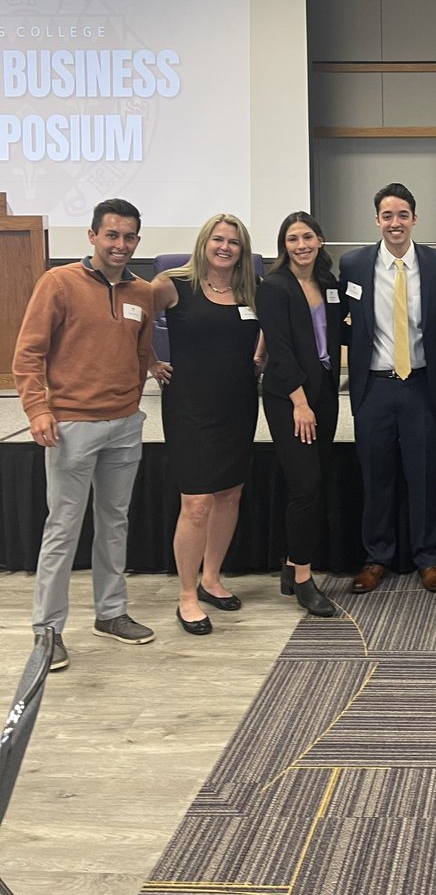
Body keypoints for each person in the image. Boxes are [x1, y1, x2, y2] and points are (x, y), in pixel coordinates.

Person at [13, 197, 155, 672]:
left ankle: (110, 613)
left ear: (137, 240)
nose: (120, 244)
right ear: (92, 236)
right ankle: (47, 630)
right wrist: (38, 409)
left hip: (125, 425)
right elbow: (28, 354)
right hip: (71, 426)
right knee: (63, 527)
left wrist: (133, 401)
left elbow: (141, 351)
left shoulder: (142, 292)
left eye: (129, 237)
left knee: (115, 522)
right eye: (111, 235)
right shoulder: (58, 283)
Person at [340, 183, 436, 593]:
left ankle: (428, 558)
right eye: (387, 215)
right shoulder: (354, 264)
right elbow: (338, 318)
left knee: (424, 475)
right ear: (377, 220)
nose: (395, 223)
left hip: (421, 386)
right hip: (374, 387)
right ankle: (377, 558)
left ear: (414, 218)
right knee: (376, 476)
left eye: (402, 215)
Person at [150, 214, 261, 636]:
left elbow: (272, 327)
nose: (225, 247)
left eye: (234, 241)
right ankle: (186, 594)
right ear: (204, 242)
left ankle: (211, 578)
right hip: (190, 408)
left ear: (242, 249)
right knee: (196, 502)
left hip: (238, 404)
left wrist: (260, 357)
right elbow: (131, 319)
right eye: (218, 239)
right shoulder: (172, 284)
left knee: (229, 493)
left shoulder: (252, 288)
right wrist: (150, 362)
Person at [255, 212, 341, 618]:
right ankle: (304, 579)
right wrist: (300, 402)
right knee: (305, 485)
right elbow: (281, 347)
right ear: (283, 245)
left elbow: (336, 332)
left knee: (313, 481)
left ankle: (291, 564)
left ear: (320, 240)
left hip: (325, 392)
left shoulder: (329, 283)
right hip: (290, 398)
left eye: (307, 237)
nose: (301, 245)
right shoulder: (274, 287)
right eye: (292, 239)